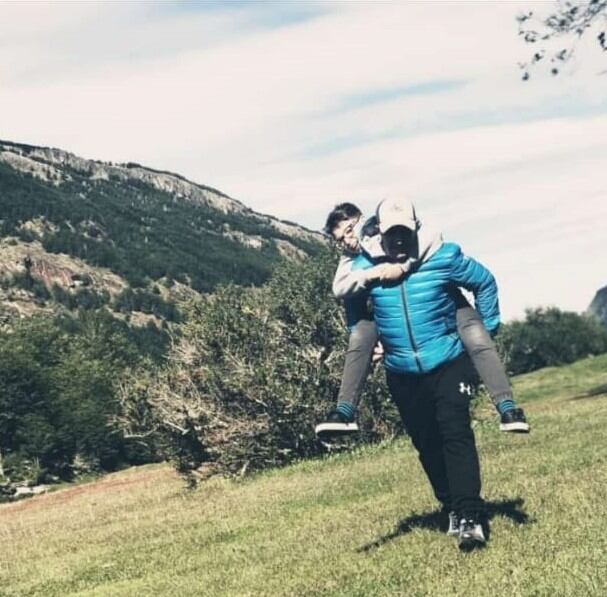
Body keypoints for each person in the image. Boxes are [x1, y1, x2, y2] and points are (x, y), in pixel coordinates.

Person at [315, 201, 529, 439]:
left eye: (348, 231)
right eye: (340, 239)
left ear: (362, 220)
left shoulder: (393, 231)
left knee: (477, 336)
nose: (347, 241)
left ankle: (507, 408)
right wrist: (370, 340)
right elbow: (343, 292)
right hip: (401, 333)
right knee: (360, 334)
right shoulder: (355, 259)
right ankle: (344, 412)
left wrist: (403, 266)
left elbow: (431, 238)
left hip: (446, 304)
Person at [354, 197, 497, 549]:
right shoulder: (366, 266)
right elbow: (353, 309)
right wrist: (367, 340)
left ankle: (469, 515)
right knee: (427, 442)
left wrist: (485, 331)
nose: (399, 240)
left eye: (405, 232)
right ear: (380, 233)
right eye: (393, 233)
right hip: (401, 371)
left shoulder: (442, 257)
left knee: (455, 431)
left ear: (416, 229)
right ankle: (450, 504)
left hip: (449, 360)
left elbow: (485, 282)